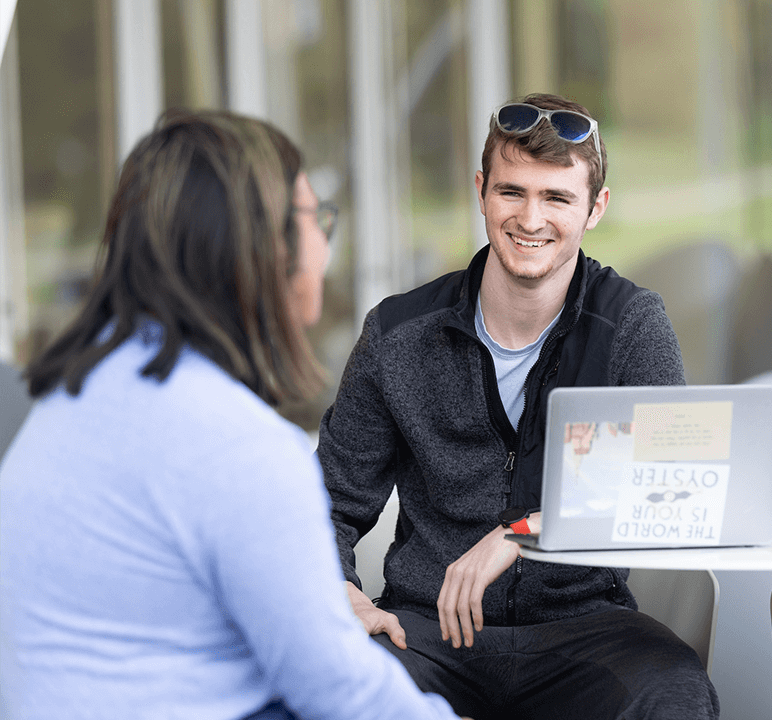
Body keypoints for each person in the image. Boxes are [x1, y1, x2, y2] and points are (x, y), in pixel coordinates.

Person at [0, 110, 460, 720]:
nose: (326, 245)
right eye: (316, 218)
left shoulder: (69, 403)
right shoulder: (237, 446)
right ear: (261, 246)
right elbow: (341, 693)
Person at [318, 93, 718, 720]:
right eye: (512, 192)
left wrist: (522, 531)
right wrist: (340, 591)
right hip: (428, 632)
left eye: (556, 198)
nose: (530, 218)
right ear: (481, 191)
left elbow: (671, 491)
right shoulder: (397, 334)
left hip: (586, 627)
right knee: (337, 687)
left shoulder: (631, 325)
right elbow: (328, 503)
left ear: (595, 208)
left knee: (675, 693)